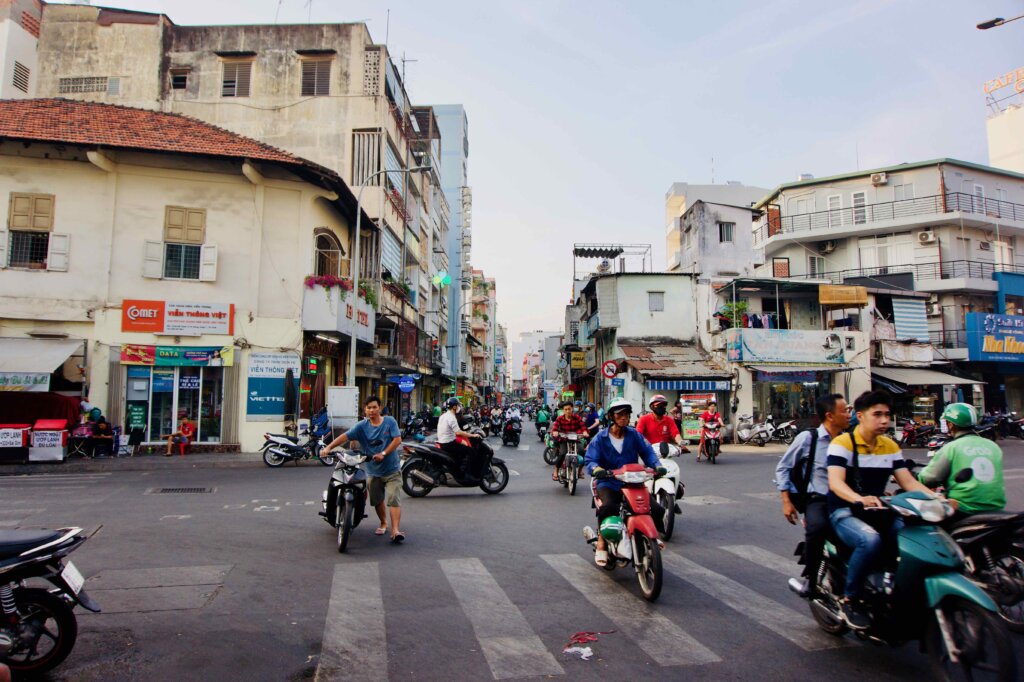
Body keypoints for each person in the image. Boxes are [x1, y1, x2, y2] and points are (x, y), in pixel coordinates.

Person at [826, 389, 935, 630]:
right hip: (844, 511)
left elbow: (908, 482)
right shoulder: (842, 443)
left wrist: (937, 499)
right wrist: (859, 499)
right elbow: (836, 483)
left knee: (914, 539)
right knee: (870, 540)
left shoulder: (890, 446)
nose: (884, 420)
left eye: (887, 414)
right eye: (877, 414)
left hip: (880, 510)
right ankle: (850, 599)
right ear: (861, 416)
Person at [775, 394, 849, 598]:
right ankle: (812, 579)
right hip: (818, 499)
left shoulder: (850, 440)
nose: (848, 414)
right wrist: (786, 501)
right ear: (830, 416)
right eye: (844, 410)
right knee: (817, 529)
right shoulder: (808, 439)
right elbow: (783, 467)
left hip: (848, 499)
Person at [585, 397, 665, 566]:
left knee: (656, 509)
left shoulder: (634, 435)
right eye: (619, 414)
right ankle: (601, 541)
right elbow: (590, 459)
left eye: (626, 414)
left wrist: (657, 466)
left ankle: (652, 536)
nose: (624, 417)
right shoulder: (600, 438)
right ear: (611, 417)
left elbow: (648, 452)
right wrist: (597, 469)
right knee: (608, 508)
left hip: (633, 482)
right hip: (609, 482)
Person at [322, 396, 406, 543]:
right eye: (369, 408)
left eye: (374, 407)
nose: (372, 410)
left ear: (379, 408)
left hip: (392, 469)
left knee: (393, 498)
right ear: (365, 410)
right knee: (377, 500)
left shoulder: (389, 422)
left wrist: (383, 453)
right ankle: (384, 523)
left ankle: (395, 530)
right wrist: (328, 447)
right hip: (373, 471)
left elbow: (397, 440)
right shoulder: (361, 426)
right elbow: (344, 437)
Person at [918, 403, 1006, 523]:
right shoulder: (993, 446)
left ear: (951, 425)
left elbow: (930, 478)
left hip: (964, 509)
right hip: (996, 508)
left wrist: (914, 477)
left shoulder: (952, 447)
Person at [436, 397, 485, 480]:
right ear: (454, 407)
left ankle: (458, 469)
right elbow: (458, 432)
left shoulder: (443, 416)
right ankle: (464, 474)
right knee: (470, 451)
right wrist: (473, 435)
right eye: (458, 405)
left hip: (442, 441)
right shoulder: (451, 417)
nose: (459, 407)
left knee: (462, 452)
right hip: (449, 443)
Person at [550, 400, 588, 482]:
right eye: (566, 409)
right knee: (563, 453)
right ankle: (556, 469)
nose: (568, 411)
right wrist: (555, 432)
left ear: (572, 409)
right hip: (564, 439)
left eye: (569, 409)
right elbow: (555, 428)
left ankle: (580, 470)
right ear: (563, 410)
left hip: (575, 440)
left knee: (584, 453)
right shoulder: (560, 419)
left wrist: (584, 432)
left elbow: (583, 426)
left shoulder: (577, 418)